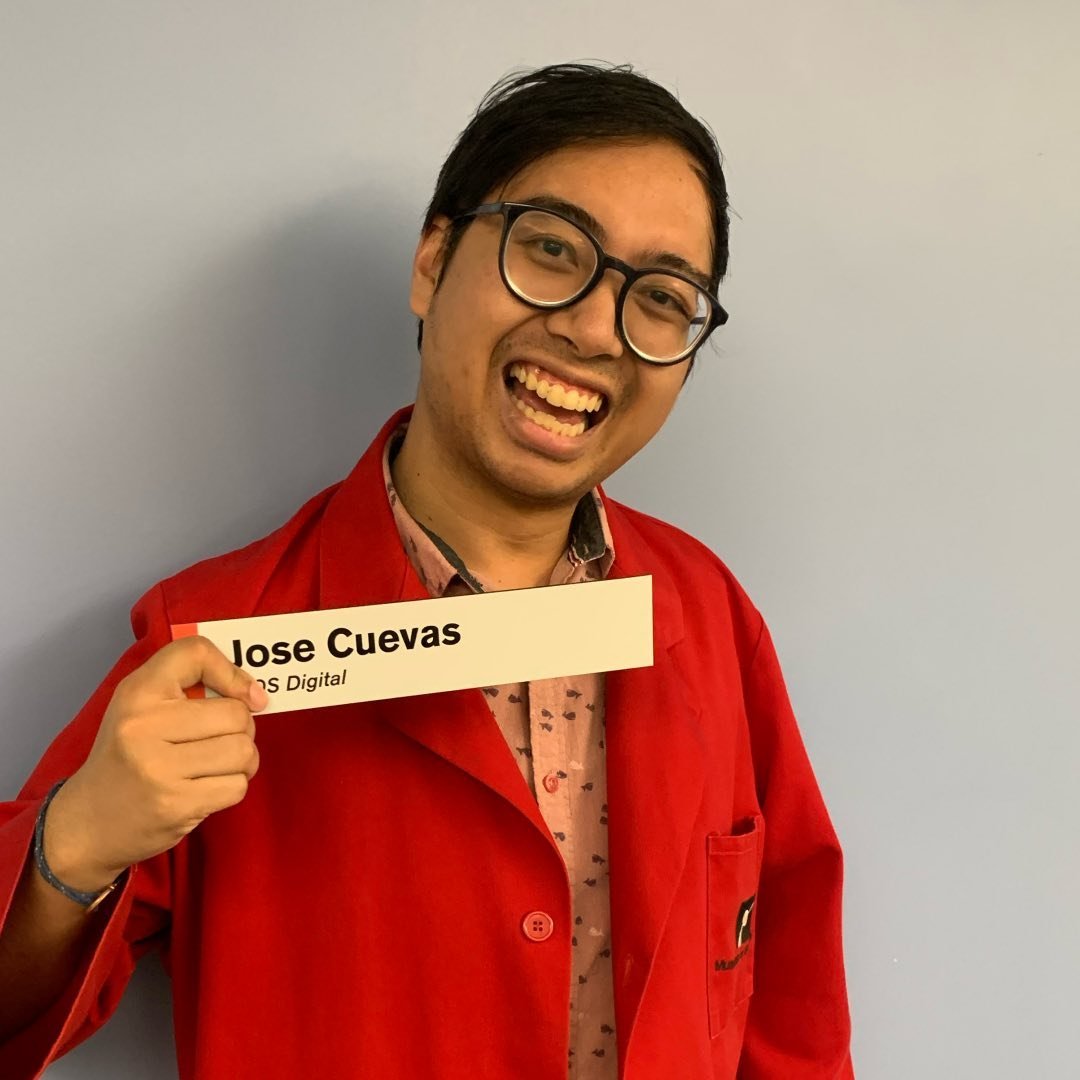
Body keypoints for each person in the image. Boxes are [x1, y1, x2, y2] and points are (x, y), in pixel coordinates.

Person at [0, 63, 853, 1079]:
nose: (592, 329)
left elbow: (792, 999)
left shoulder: (709, 615)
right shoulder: (217, 637)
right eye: (550, 249)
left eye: (663, 298)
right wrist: (72, 848)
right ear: (433, 261)